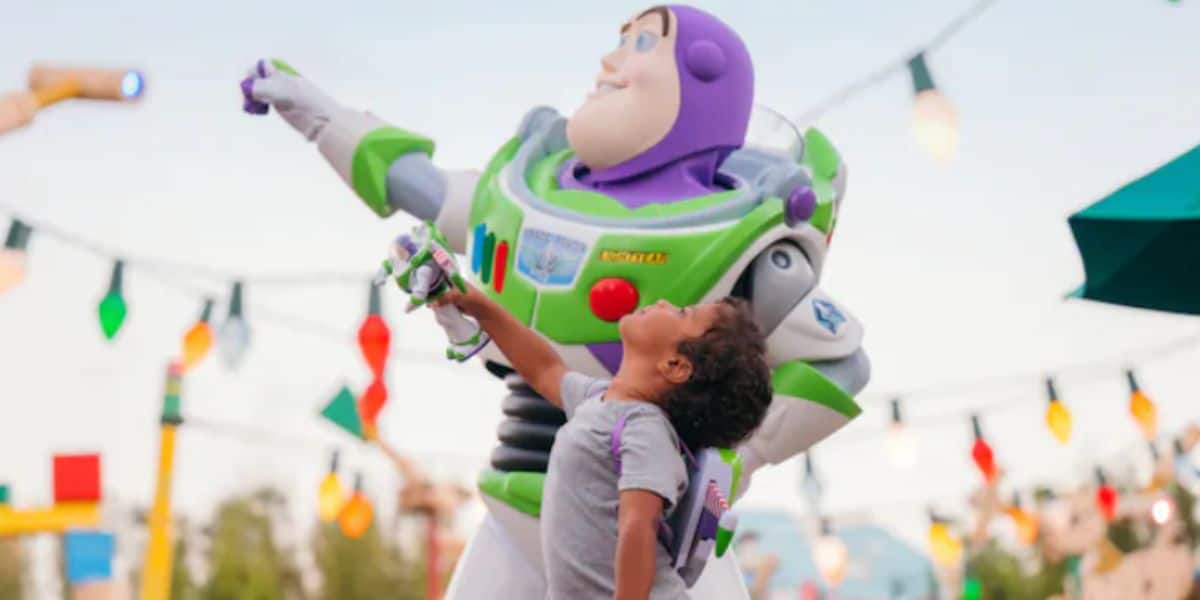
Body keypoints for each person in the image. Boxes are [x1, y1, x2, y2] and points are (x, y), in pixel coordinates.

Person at [432, 282, 772, 599]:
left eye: (683, 314)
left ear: (676, 365)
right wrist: (479, 307)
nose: (667, 303)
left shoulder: (646, 431)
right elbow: (544, 369)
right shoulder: (602, 401)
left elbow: (639, 524)